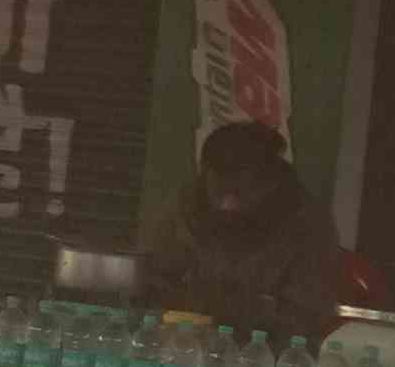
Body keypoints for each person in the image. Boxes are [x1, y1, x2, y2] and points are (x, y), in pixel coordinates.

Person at [142, 122, 346, 344]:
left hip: (268, 351)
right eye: (220, 188)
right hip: (186, 345)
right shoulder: (187, 208)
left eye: (242, 191)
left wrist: (236, 315)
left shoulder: (309, 225)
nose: (228, 204)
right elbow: (156, 285)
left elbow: (306, 318)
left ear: (271, 181)